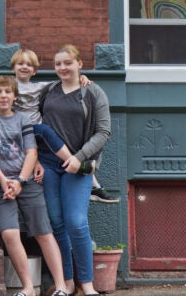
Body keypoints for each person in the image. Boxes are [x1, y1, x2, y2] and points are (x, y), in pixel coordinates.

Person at [0, 75, 70, 296]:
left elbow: (31, 153)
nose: (3, 96)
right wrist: (4, 180)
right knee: (9, 233)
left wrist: (19, 181)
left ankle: (61, 286)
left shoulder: (23, 119)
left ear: (15, 96)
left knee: (43, 231)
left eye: (8, 92)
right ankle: (28, 288)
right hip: (0, 184)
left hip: (25, 182)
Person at [38, 44, 111, 296]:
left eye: (68, 63)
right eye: (58, 64)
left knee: (76, 222)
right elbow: (30, 115)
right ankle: (67, 282)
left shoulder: (92, 91)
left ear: (79, 63)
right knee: (57, 223)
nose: (62, 68)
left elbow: (103, 132)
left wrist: (78, 159)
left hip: (78, 167)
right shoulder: (48, 91)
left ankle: (87, 283)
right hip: (48, 165)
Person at [10, 48, 119, 204]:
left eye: (29, 65)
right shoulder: (7, 84)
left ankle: (93, 183)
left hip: (38, 135)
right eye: (20, 64)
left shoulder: (43, 87)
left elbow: (67, 81)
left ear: (34, 71)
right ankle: (88, 174)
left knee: (44, 131)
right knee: (44, 130)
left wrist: (81, 78)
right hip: (22, 131)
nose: (24, 67)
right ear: (13, 67)